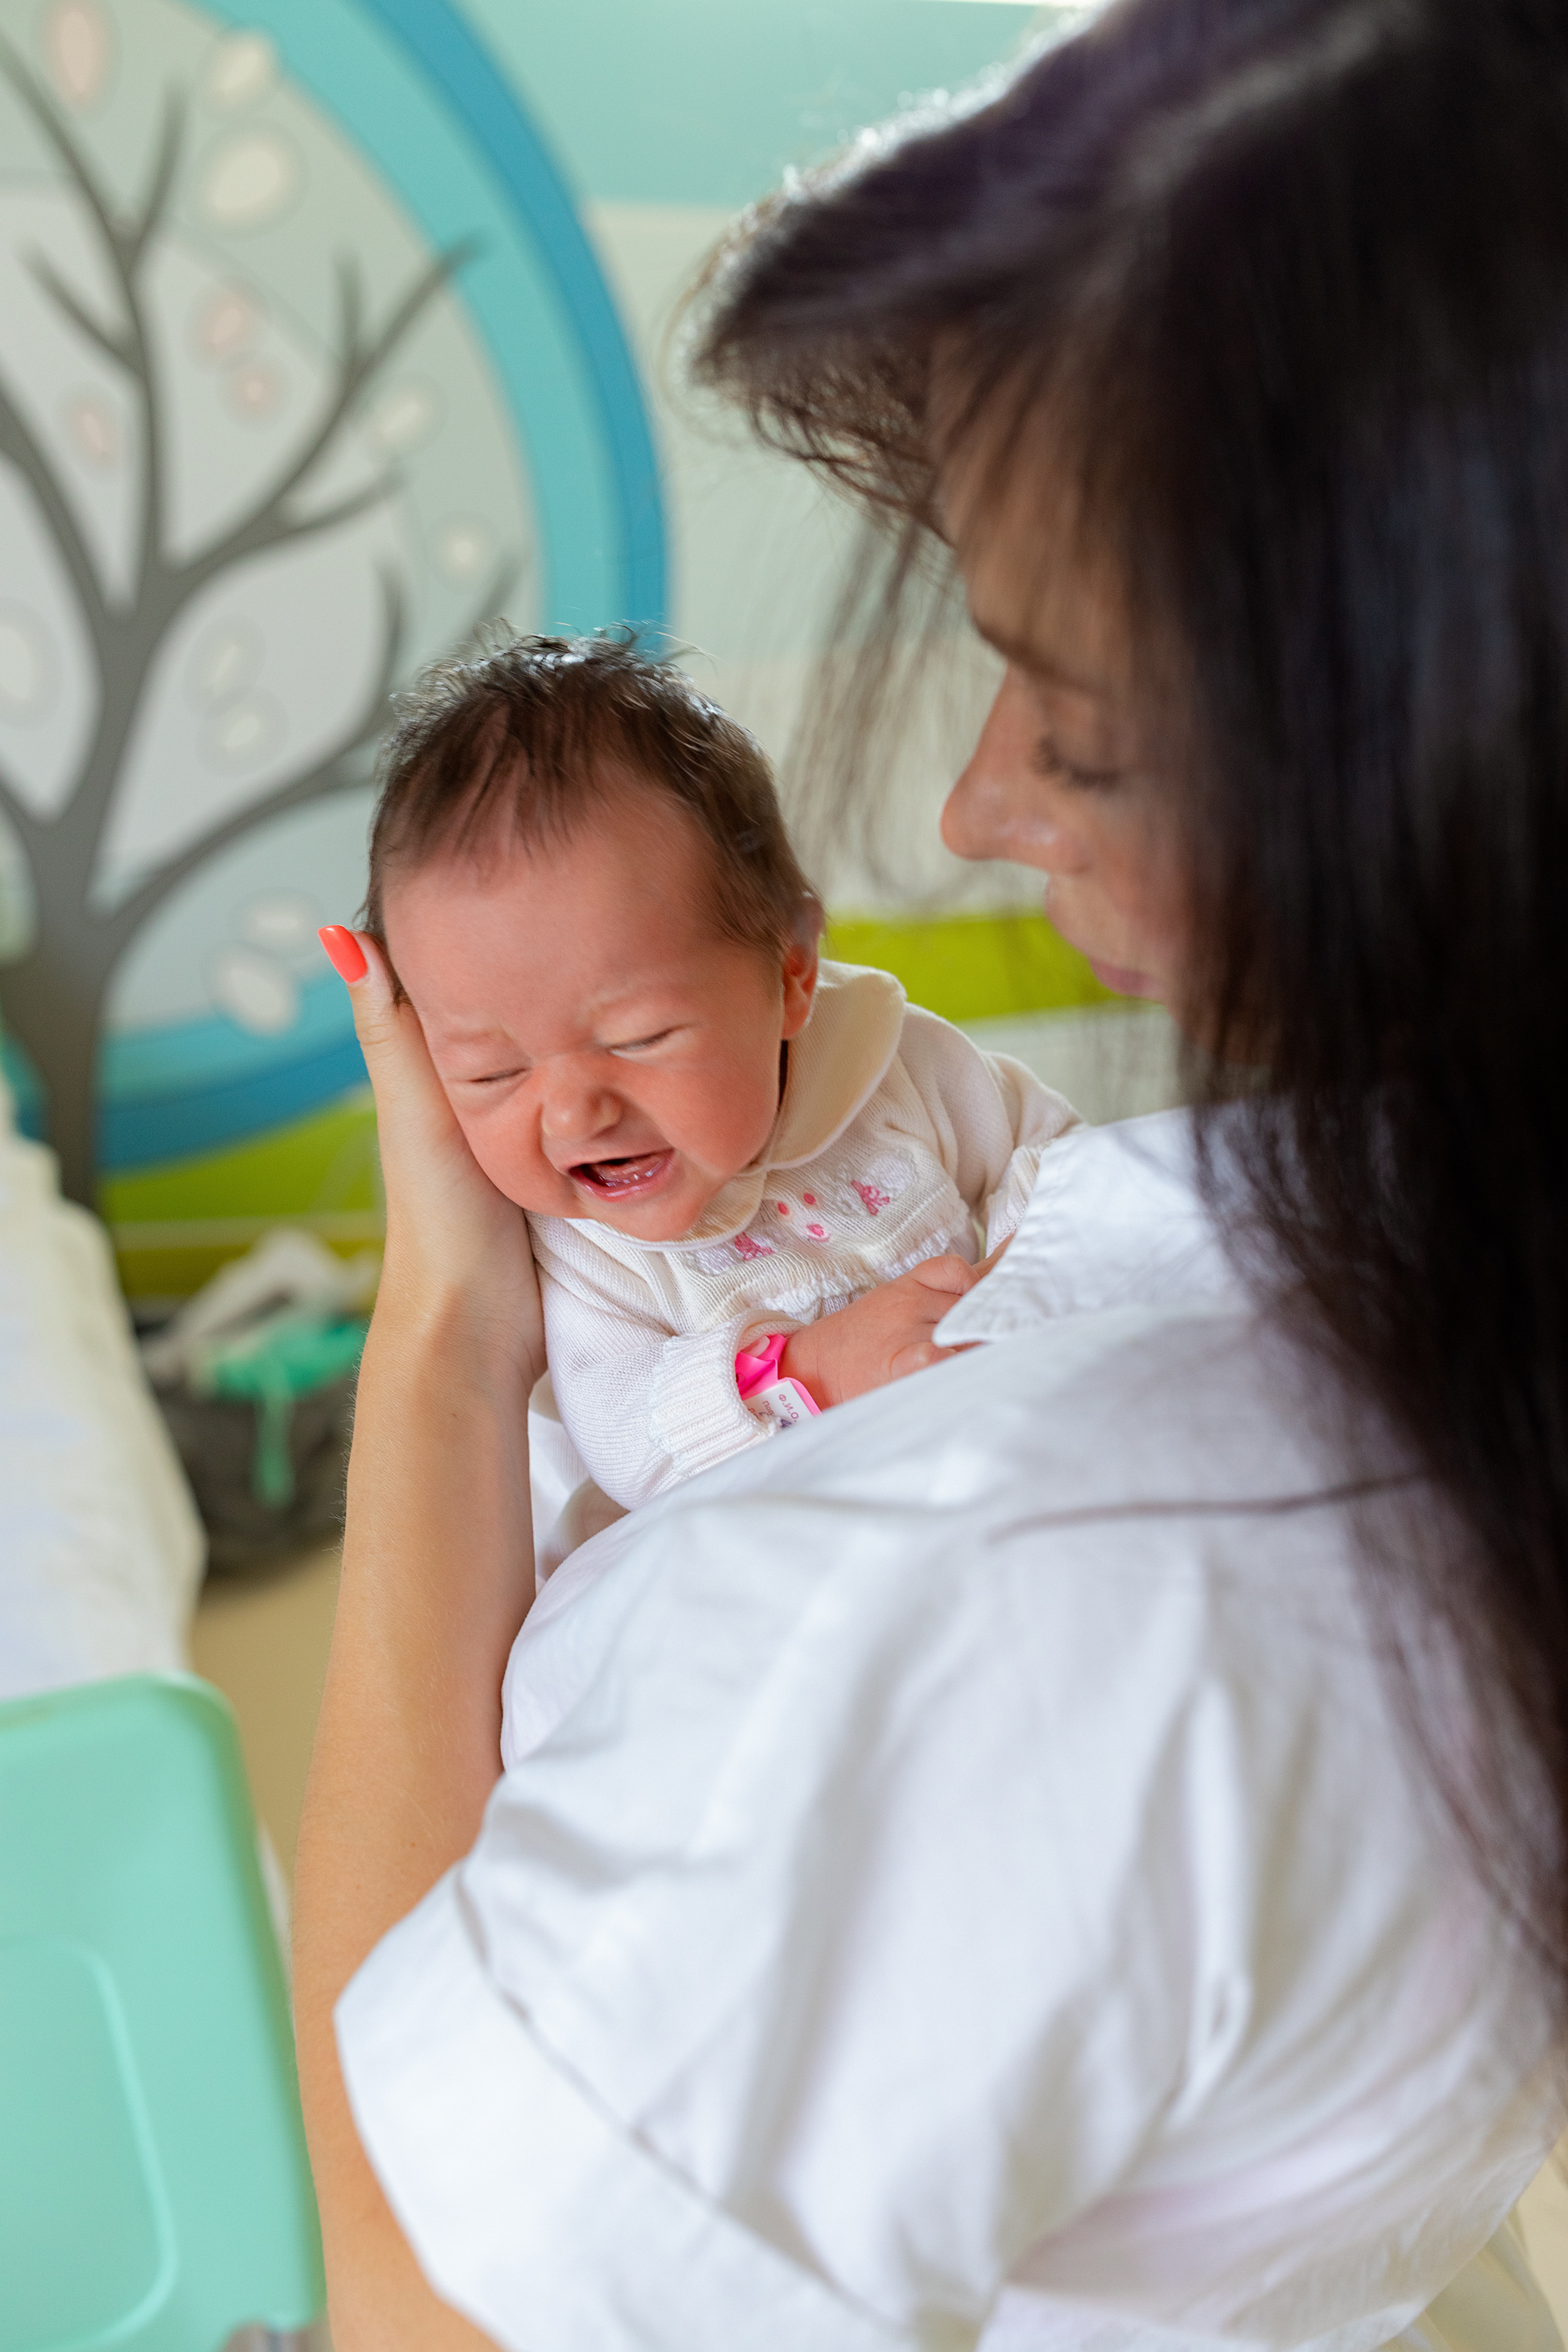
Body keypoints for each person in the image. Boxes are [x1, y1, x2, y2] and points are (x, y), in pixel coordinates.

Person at [293, 4, 1568, 2348]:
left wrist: (437, 1324)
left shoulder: (1057, 1584)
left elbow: (410, 2275)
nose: (979, 802)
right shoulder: (1333, 1254)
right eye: (479, 1061)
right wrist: (505, 1315)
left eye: (1065, 704)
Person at [337, 633, 1076, 1546]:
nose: (573, 1115)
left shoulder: (896, 1068)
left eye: (638, 1038)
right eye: (493, 1072)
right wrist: (799, 1367)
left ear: (793, 969)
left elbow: (1060, 1158)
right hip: (736, 1554)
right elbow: (624, 1434)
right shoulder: (575, 1246)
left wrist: (1017, 1281)